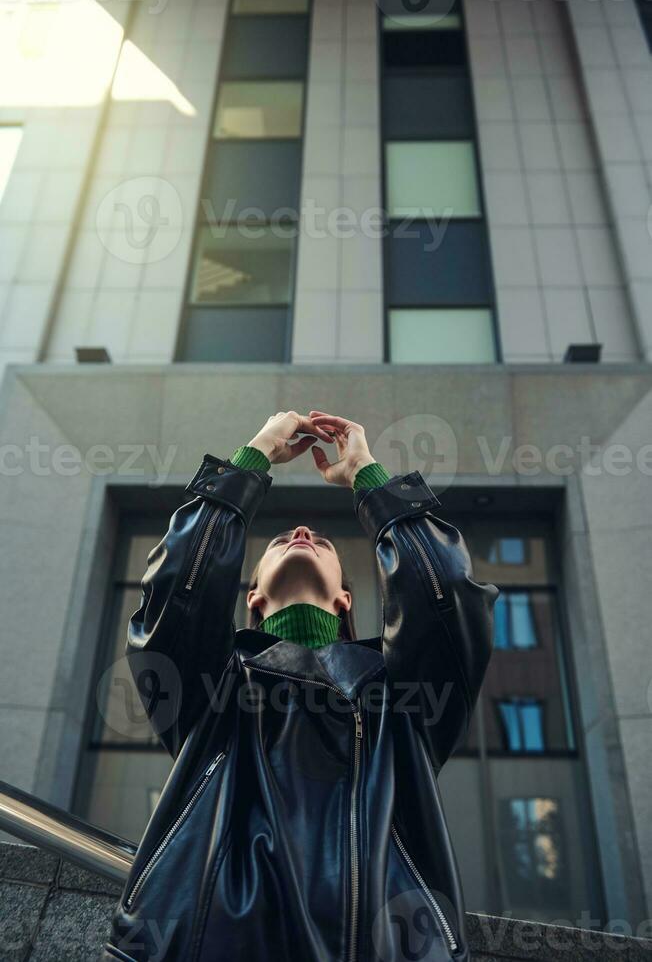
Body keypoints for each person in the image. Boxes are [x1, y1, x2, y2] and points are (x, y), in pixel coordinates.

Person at [101, 410, 499, 962]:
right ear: (253, 596)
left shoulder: (404, 696)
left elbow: (446, 591)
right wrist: (254, 456)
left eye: (320, 541)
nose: (304, 533)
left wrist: (366, 473)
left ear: (346, 600)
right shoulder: (209, 686)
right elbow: (178, 589)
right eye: (283, 538)